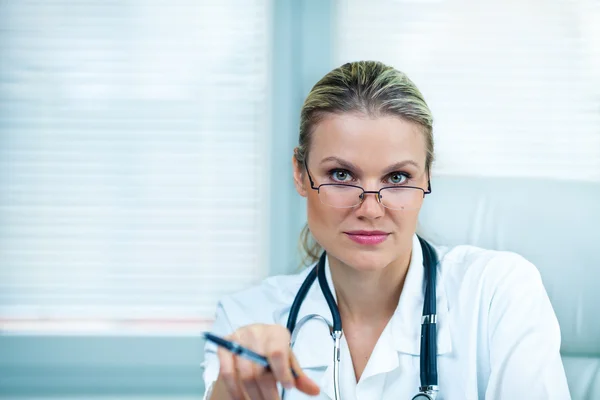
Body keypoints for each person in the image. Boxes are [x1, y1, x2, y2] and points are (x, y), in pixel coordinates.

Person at [201, 61, 571, 399]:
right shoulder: (248, 319)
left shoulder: (497, 294)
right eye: (341, 175)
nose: (371, 209)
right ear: (300, 175)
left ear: (426, 178)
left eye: (397, 177)